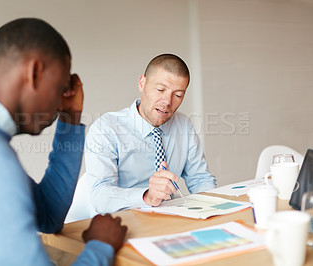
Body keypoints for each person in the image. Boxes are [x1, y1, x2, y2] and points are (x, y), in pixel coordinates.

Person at [0, 18, 127, 265]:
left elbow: (48, 215)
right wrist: (101, 246)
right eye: (59, 88)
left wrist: (70, 120)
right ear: (34, 73)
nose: (59, 104)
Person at [85, 54, 216, 213]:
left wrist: (214, 207)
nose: (167, 101)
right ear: (142, 83)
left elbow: (200, 179)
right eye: (160, 89)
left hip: (167, 219)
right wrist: (147, 196)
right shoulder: (106, 129)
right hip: (121, 221)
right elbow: (100, 196)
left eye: (178, 95)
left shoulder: (184, 125)